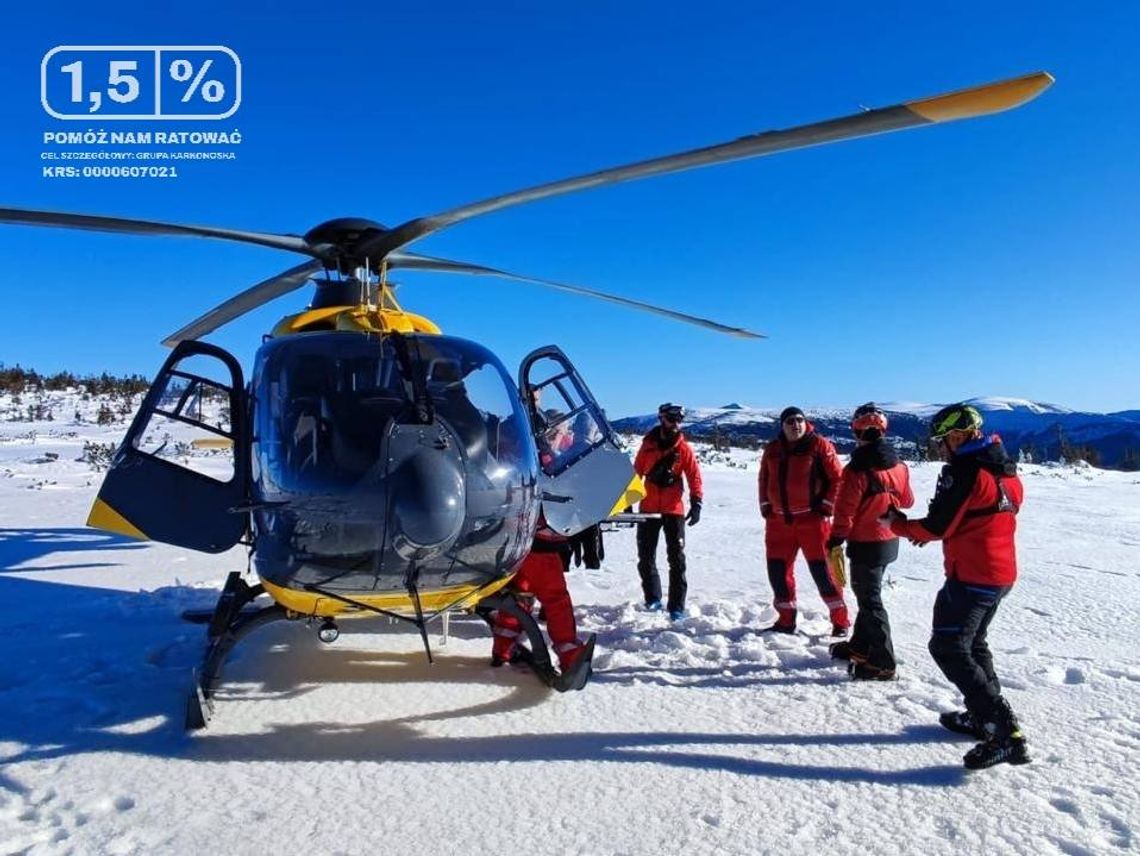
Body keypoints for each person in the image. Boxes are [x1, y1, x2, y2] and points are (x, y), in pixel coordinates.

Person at [884, 403, 1030, 770]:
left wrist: (897, 524)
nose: (940, 447)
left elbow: (936, 527)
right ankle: (984, 717)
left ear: (960, 435)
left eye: (944, 439)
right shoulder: (1006, 471)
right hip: (1000, 574)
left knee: (948, 646)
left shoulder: (965, 472)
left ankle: (1003, 732)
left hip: (974, 577)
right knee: (973, 643)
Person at [826, 403, 914, 679]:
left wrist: (835, 540)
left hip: (865, 542)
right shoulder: (899, 465)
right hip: (890, 539)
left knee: (869, 600)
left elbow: (844, 512)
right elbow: (909, 500)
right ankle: (860, 647)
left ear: (856, 431)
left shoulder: (856, 471)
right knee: (869, 595)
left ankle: (882, 662)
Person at [758, 406, 849, 635]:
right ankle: (785, 621)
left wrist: (827, 506)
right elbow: (763, 478)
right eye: (790, 421)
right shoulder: (773, 449)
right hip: (778, 523)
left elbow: (838, 479)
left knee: (824, 574)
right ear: (782, 425)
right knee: (778, 574)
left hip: (813, 522)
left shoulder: (819, 445)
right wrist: (765, 505)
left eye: (799, 420)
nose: (795, 424)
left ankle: (840, 622)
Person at [490, 511, 589, 675]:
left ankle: (503, 647)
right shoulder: (553, 485)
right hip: (542, 547)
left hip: (515, 544)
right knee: (556, 600)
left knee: (519, 594)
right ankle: (569, 656)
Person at [633, 403, 703, 621]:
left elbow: (694, 475)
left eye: (679, 419)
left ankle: (676, 607)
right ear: (661, 418)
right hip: (649, 509)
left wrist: (697, 501)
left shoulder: (684, 449)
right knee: (646, 557)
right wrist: (627, 501)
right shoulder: (648, 446)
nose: (676, 423)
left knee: (677, 560)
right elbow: (636, 474)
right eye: (672, 418)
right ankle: (652, 598)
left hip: (674, 510)